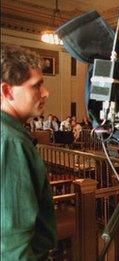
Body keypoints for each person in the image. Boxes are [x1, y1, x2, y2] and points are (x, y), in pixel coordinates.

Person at [1, 45, 56, 259]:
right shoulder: (10, 141)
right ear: (7, 91)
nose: (46, 93)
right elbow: (12, 238)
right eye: (36, 86)